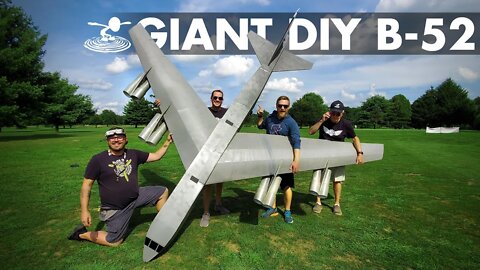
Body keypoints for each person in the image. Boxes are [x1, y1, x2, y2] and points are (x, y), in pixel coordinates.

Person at [67, 127, 173, 246]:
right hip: (115, 208)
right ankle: (81, 234)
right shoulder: (98, 160)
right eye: (112, 138)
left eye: (120, 137)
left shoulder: (134, 154)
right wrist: (85, 211)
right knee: (114, 241)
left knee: (162, 191)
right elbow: (86, 186)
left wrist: (167, 141)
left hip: (136, 197)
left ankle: (163, 223)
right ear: (107, 141)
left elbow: (156, 156)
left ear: (126, 139)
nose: (116, 140)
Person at [308, 100, 364, 215]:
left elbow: (355, 138)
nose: (335, 116)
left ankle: (337, 204)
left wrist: (360, 153)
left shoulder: (346, 124)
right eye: (333, 113)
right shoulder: (324, 121)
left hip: (338, 156)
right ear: (329, 111)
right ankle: (318, 202)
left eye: (338, 113)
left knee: (337, 180)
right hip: (322, 155)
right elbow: (311, 131)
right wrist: (321, 120)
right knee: (320, 178)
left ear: (342, 113)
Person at [257, 96, 300, 224]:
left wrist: (296, 160)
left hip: (285, 159)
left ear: (289, 107)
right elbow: (260, 126)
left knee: (286, 186)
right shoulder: (270, 118)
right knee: (271, 184)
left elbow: (296, 142)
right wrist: (260, 116)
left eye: (285, 106)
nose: (282, 108)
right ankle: (273, 208)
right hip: (270, 158)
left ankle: (287, 211)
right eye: (280, 105)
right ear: (276, 105)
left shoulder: (291, 122)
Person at [200, 89, 230, 227]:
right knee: (207, 183)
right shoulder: (204, 112)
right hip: (207, 151)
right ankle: (206, 212)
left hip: (221, 151)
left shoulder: (226, 112)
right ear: (211, 98)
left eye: (220, 98)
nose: (217, 100)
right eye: (215, 97)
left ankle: (218, 204)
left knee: (220, 180)